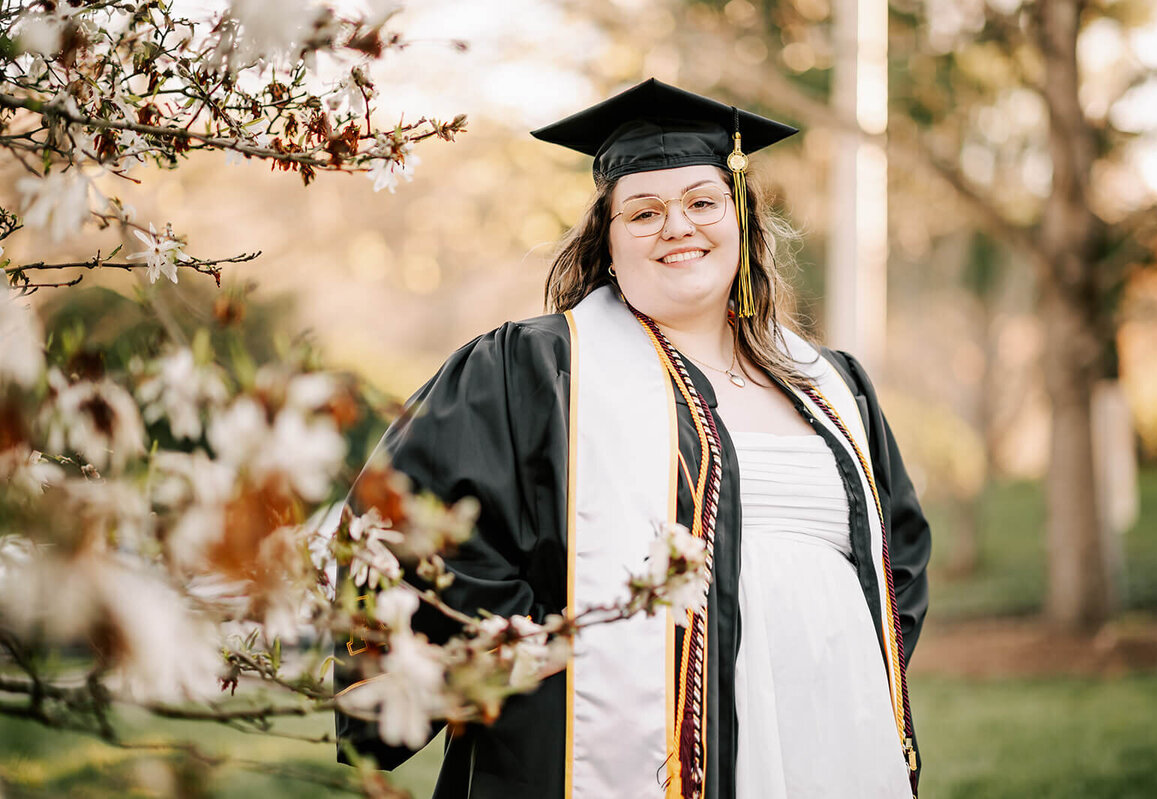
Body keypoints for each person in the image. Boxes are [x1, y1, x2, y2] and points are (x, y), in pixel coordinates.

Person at [335, 78, 931, 799]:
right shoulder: (536, 368)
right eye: (643, 212)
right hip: (609, 742)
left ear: (742, 221)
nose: (678, 227)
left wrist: (835, 653)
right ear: (608, 243)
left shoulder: (834, 386)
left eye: (703, 202)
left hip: (831, 728)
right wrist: (517, 644)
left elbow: (897, 551)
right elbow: (402, 509)